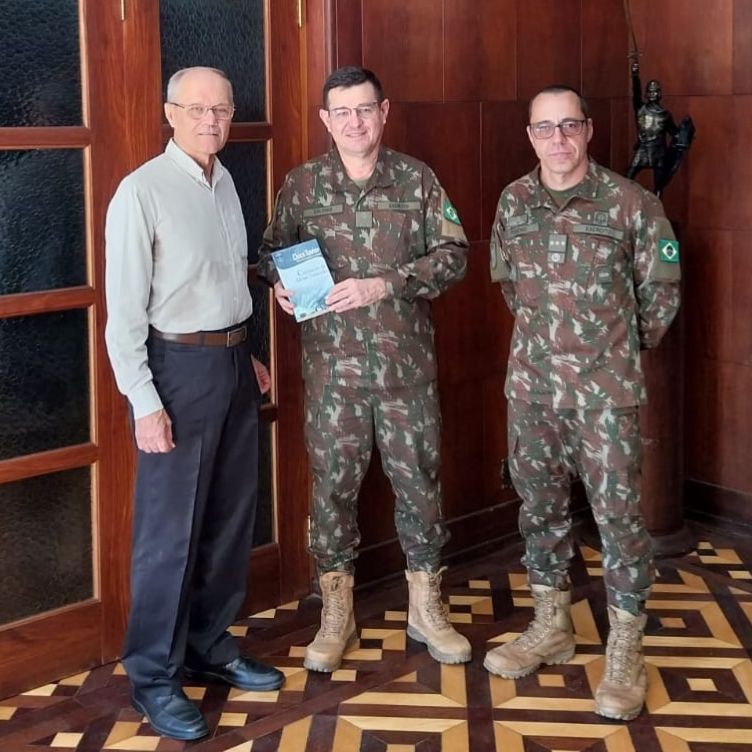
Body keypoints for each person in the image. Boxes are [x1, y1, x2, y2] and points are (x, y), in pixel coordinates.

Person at [257, 66, 471, 673]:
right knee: (331, 490)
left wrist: (388, 283)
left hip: (406, 372)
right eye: (342, 112)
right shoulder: (302, 185)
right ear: (326, 120)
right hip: (333, 377)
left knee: (420, 485)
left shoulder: (417, 179)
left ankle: (426, 607)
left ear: (384, 112)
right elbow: (271, 252)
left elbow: (455, 256)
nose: (355, 122)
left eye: (365, 109)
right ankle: (336, 611)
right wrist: (279, 285)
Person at [484, 85, 680, 721]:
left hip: (606, 396)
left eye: (569, 125)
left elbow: (660, 297)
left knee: (619, 521)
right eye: (545, 128)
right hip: (533, 391)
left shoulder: (632, 203)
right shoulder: (513, 201)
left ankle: (625, 650)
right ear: (531, 136)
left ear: (589, 130)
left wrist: (607, 353)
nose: (558, 139)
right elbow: (510, 285)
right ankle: (552, 626)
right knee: (539, 511)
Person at [104, 66, 284, 741]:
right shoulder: (141, 191)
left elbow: (224, 279)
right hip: (176, 372)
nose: (212, 120)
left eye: (222, 110)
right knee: (169, 534)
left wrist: (248, 353)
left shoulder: (225, 181)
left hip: (232, 365)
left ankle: (210, 646)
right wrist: (144, 402)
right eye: (197, 109)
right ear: (170, 113)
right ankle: (153, 676)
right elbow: (123, 317)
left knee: (230, 518)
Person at [626, 59, 694, 196]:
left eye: (655, 91)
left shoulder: (665, 115)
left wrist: (685, 132)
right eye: (650, 91)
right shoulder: (640, 108)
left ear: (660, 93)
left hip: (659, 152)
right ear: (646, 94)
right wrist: (635, 75)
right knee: (628, 177)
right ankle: (624, 203)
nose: (653, 94)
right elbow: (636, 92)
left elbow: (674, 133)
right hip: (643, 149)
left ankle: (658, 207)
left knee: (659, 185)